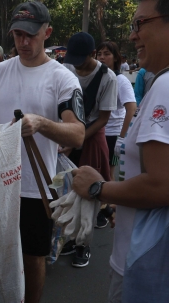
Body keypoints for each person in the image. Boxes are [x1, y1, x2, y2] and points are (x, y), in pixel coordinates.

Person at [72, 0, 169, 301]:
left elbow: (165, 186)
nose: (133, 35)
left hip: (151, 259)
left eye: (140, 24)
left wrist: (98, 188)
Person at [0, 2, 85, 302]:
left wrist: (42, 123)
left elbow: (78, 133)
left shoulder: (62, 78)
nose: (23, 42)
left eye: (30, 35)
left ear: (48, 32)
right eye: (17, 35)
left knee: (33, 257)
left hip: (35, 188)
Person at [62, 32, 118, 268]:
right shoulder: (66, 68)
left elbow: (104, 118)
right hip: (65, 134)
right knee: (65, 191)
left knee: (88, 194)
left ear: (93, 55)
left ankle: (83, 245)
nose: (75, 64)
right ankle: (69, 237)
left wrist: (78, 139)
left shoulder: (108, 78)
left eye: (80, 59)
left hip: (92, 135)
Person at [95, 41, 136, 232]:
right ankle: (102, 210)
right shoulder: (99, 77)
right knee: (96, 173)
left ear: (116, 58)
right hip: (97, 132)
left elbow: (131, 108)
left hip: (112, 135)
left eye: (107, 54)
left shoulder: (121, 80)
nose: (102, 57)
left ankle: (108, 212)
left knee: (108, 176)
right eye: (99, 54)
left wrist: (122, 136)